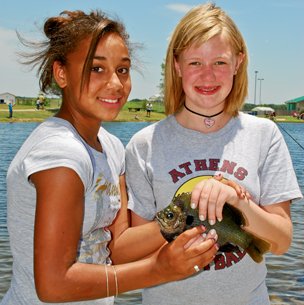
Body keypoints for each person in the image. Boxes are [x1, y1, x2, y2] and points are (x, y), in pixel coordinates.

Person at [1, 9, 219, 305]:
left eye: (123, 70)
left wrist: (191, 213)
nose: (116, 84)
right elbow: (53, 285)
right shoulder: (60, 153)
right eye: (96, 69)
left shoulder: (111, 146)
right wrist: (159, 270)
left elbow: (117, 248)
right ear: (61, 73)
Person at [125, 3, 302, 305]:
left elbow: (282, 241)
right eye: (195, 63)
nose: (208, 76)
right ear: (177, 65)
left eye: (219, 62)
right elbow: (130, 249)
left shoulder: (264, 135)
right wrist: (184, 219)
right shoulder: (144, 143)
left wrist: (236, 200)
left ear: (238, 63)